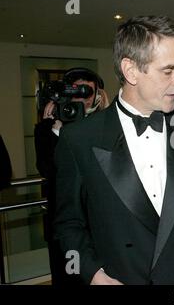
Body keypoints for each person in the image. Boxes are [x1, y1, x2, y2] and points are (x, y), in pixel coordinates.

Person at [53, 15, 174, 285]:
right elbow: (67, 226)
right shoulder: (78, 138)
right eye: (169, 70)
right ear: (130, 71)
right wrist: (92, 274)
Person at [34, 67, 106, 285]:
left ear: (97, 96)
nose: (81, 99)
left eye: (87, 93)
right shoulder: (46, 130)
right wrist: (57, 132)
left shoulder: (104, 126)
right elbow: (48, 170)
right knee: (67, 279)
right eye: (75, 92)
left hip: (99, 225)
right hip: (62, 227)